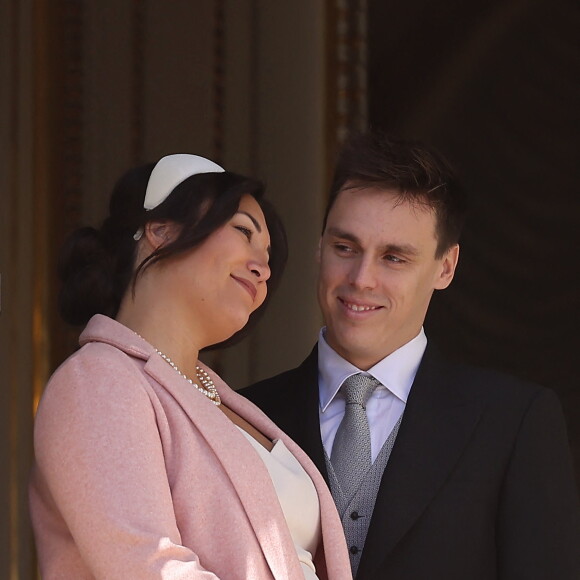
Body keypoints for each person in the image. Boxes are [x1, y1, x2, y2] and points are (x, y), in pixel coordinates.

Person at [242, 133, 580, 579]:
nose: (361, 279)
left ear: (446, 267)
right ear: (320, 245)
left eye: (394, 258)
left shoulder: (514, 422)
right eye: (345, 248)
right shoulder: (243, 416)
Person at [29, 154, 352, 580]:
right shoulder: (97, 380)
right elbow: (152, 568)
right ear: (160, 230)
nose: (264, 267)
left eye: (268, 254)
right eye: (243, 232)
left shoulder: (218, 397)